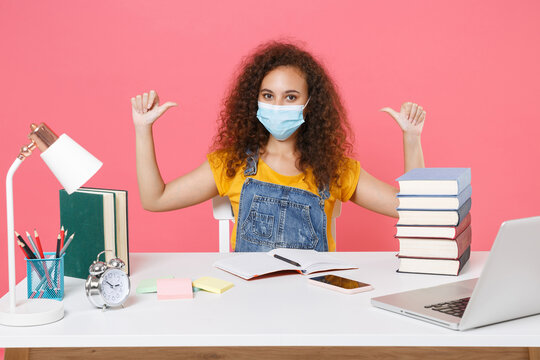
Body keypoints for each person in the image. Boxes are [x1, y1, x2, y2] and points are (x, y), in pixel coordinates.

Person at [131, 41, 425, 252]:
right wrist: (143, 129)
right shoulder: (230, 165)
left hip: (313, 309)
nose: (277, 105)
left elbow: (415, 210)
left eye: (291, 97)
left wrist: (411, 138)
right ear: (254, 100)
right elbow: (155, 199)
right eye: (268, 95)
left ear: (310, 106)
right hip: (250, 309)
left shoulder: (334, 170)